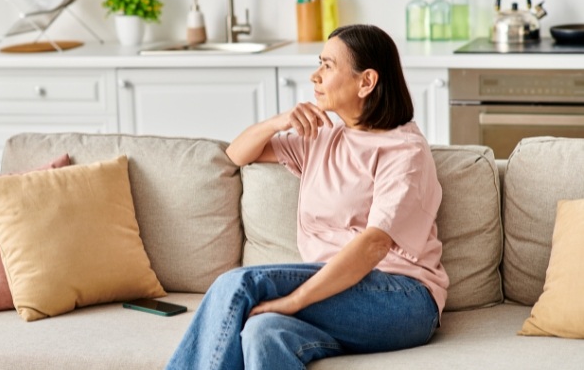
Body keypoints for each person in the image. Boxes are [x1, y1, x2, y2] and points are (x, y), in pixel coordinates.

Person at [165, 24, 449, 370]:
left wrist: (295, 300)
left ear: (366, 82)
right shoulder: (323, 137)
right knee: (263, 333)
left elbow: (375, 243)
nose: (315, 76)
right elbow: (237, 154)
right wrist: (278, 121)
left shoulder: (404, 150)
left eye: (328, 66)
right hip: (333, 293)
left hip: (401, 298)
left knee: (239, 284)